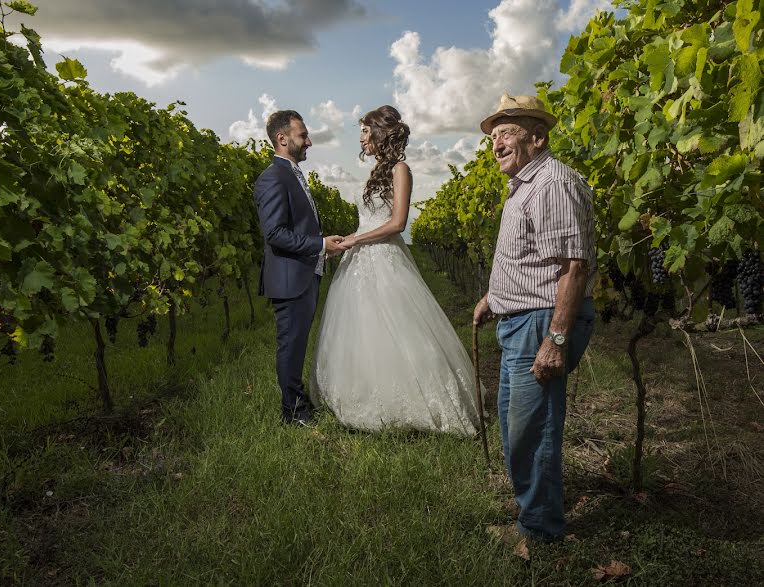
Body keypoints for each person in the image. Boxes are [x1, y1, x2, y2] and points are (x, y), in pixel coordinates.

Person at [309, 105, 481, 435]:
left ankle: (408, 405)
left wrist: (356, 240)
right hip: (360, 258)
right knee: (360, 329)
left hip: (384, 256)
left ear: (380, 133)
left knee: (396, 327)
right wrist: (353, 240)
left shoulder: (401, 169)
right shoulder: (375, 171)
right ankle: (360, 396)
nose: (360, 137)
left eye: (364, 130)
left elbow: (398, 223)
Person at [473, 94, 596, 545]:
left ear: (538, 138)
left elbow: (573, 268)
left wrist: (556, 340)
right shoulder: (527, 184)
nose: (496, 143)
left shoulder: (552, 183)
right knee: (514, 423)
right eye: (493, 136)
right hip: (521, 317)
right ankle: (532, 505)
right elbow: (532, 259)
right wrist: (494, 295)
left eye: (508, 133)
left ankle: (540, 530)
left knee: (533, 428)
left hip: (541, 324)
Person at [253, 110, 346, 426]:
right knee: (291, 345)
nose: (309, 141)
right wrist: (320, 246)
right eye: (303, 135)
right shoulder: (272, 177)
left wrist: (321, 247)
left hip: (303, 274)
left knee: (297, 343)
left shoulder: (291, 174)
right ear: (282, 139)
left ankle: (298, 404)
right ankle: (293, 413)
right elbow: (275, 234)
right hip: (289, 278)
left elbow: (299, 227)